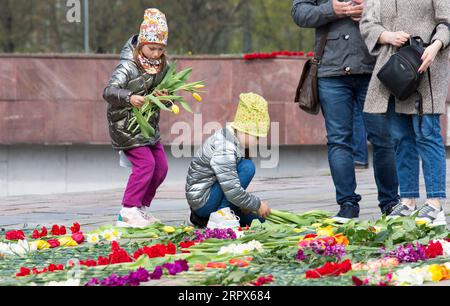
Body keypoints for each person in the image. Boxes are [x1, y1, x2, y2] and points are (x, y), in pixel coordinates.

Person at [292, 0, 400, 223]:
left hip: (373, 68)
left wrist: (372, 9)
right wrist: (331, 9)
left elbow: (401, 8)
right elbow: (299, 13)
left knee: (383, 138)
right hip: (331, 70)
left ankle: (390, 203)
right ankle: (347, 204)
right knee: (339, 140)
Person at [360, 0, 450, 226]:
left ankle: (434, 204)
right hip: (394, 71)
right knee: (400, 138)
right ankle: (408, 201)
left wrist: (436, 45)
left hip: (426, 67)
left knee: (427, 134)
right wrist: (386, 36)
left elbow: (446, 22)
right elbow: (367, 23)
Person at [103, 8, 171, 228]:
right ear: (141, 44)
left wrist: (164, 97)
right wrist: (130, 97)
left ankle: (140, 209)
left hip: (149, 127)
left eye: (160, 49)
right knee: (146, 165)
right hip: (125, 125)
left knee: (161, 168)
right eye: (152, 48)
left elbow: (167, 99)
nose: (156, 54)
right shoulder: (127, 66)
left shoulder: (162, 66)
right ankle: (127, 209)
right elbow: (109, 91)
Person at [186, 93, 272, 229]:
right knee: (248, 167)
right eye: (256, 137)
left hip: (214, 197)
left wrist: (244, 204)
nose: (257, 142)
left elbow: (229, 183)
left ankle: (211, 217)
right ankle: (219, 215)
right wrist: (257, 204)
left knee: (259, 222)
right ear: (244, 130)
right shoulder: (225, 146)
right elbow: (231, 189)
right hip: (203, 201)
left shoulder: (233, 140)